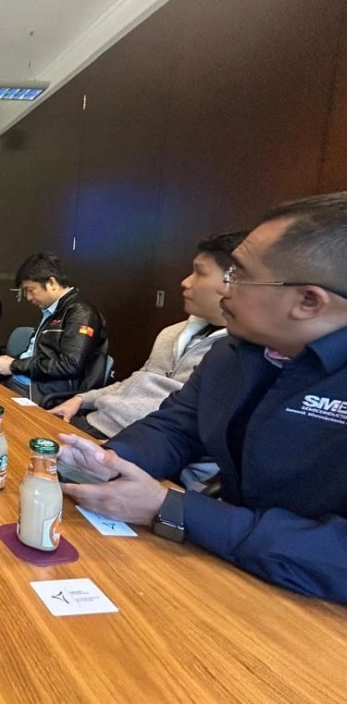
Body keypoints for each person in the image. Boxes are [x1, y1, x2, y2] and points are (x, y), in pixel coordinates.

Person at [57, 194, 347, 603]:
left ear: (308, 301)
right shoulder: (234, 351)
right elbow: (175, 427)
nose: (225, 288)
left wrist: (172, 508)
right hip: (230, 563)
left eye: (239, 275)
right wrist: (107, 460)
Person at [50, 230, 247, 487]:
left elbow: (184, 433)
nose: (185, 282)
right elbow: (136, 381)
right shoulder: (172, 333)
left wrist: (116, 451)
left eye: (199, 273)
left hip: (133, 446)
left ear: (235, 281)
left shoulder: (239, 355)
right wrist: (81, 399)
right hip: (100, 426)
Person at [0, 252, 107, 406]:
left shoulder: (81, 313)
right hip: (29, 383)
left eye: (30, 290)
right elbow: (37, 354)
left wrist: (14, 365)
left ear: (51, 283)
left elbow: (70, 365)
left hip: (46, 392)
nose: (28, 297)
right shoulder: (51, 311)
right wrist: (4, 363)